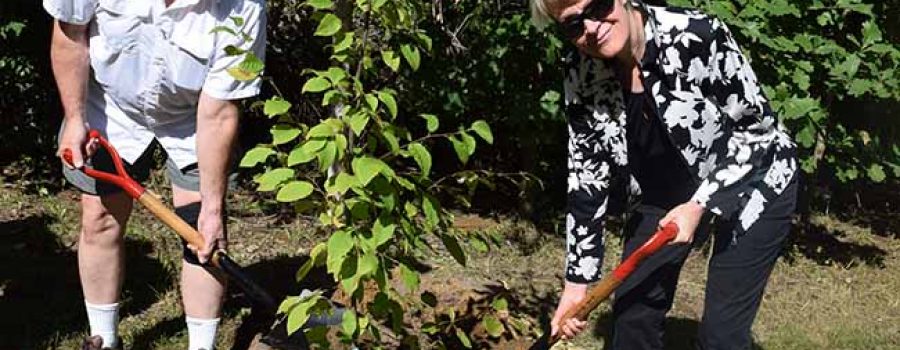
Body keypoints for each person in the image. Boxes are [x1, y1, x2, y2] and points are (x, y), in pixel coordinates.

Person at [530, 0, 799, 348]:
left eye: (597, 6)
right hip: (667, 190)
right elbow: (586, 175)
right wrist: (575, 287)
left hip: (756, 177)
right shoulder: (580, 69)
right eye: (573, 24)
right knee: (632, 315)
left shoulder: (697, 34)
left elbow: (758, 132)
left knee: (722, 335)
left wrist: (701, 203)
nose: (592, 28)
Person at [44, 0, 266, 349]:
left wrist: (211, 208)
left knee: (200, 237)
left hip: (192, 118)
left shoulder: (240, 7)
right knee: (99, 217)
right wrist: (75, 118)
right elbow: (70, 33)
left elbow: (219, 112)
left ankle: (201, 346)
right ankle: (104, 338)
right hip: (110, 107)